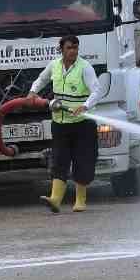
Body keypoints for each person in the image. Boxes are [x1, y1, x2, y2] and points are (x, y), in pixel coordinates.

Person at [27, 35, 101, 213]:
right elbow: (42, 79)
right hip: (60, 124)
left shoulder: (85, 67)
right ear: (61, 49)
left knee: (82, 160)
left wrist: (85, 106)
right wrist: (32, 92)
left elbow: (96, 91)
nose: (73, 51)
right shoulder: (54, 65)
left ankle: (80, 200)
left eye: (76, 48)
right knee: (59, 160)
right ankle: (55, 200)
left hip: (83, 124)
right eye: (69, 48)